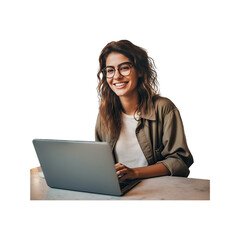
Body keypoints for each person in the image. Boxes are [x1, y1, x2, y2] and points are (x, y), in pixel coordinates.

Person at [95, 40, 193, 182]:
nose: (116, 76)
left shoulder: (164, 108)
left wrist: (134, 173)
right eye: (110, 70)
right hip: (118, 191)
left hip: (155, 191)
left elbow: (179, 161)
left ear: (140, 71)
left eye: (124, 68)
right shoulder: (105, 113)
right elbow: (100, 161)